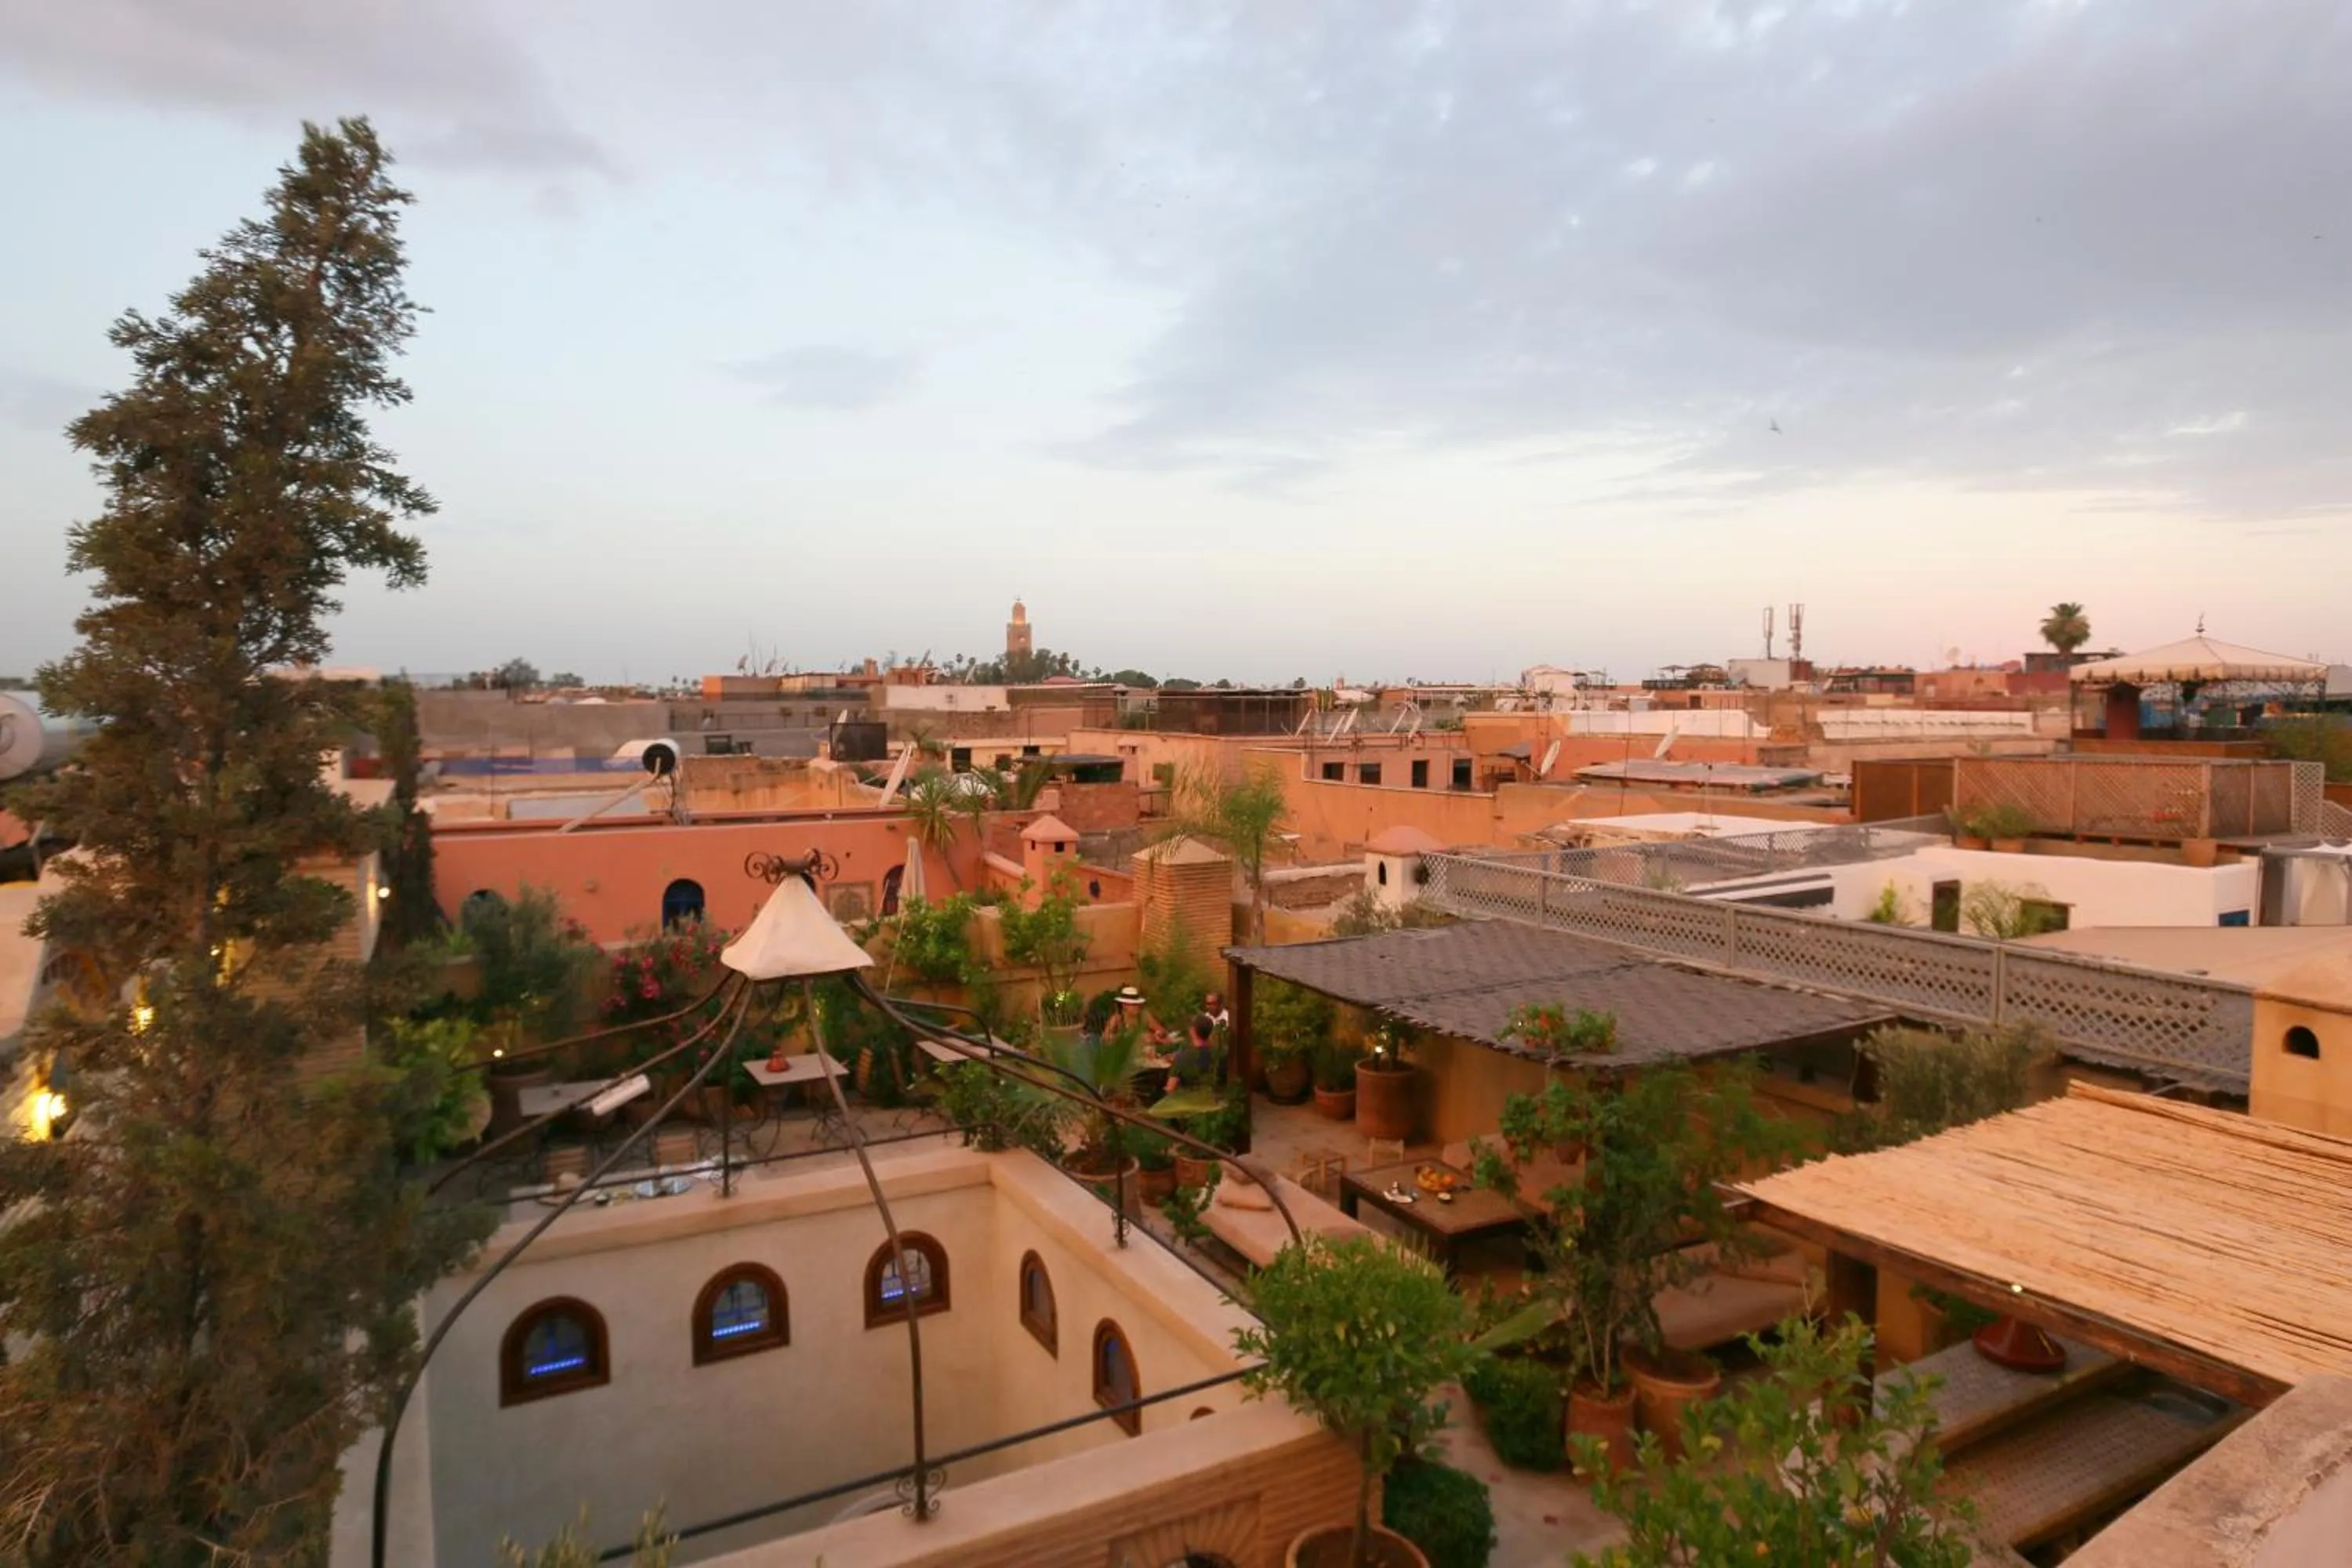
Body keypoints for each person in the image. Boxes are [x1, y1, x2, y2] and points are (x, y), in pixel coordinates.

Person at [1165, 1012, 1224, 1095]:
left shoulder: (1182, 1057)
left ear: (1193, 1031)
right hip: (1212, 1098)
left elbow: (1170, 1088)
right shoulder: (1220, 1054)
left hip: (1189, 1100)